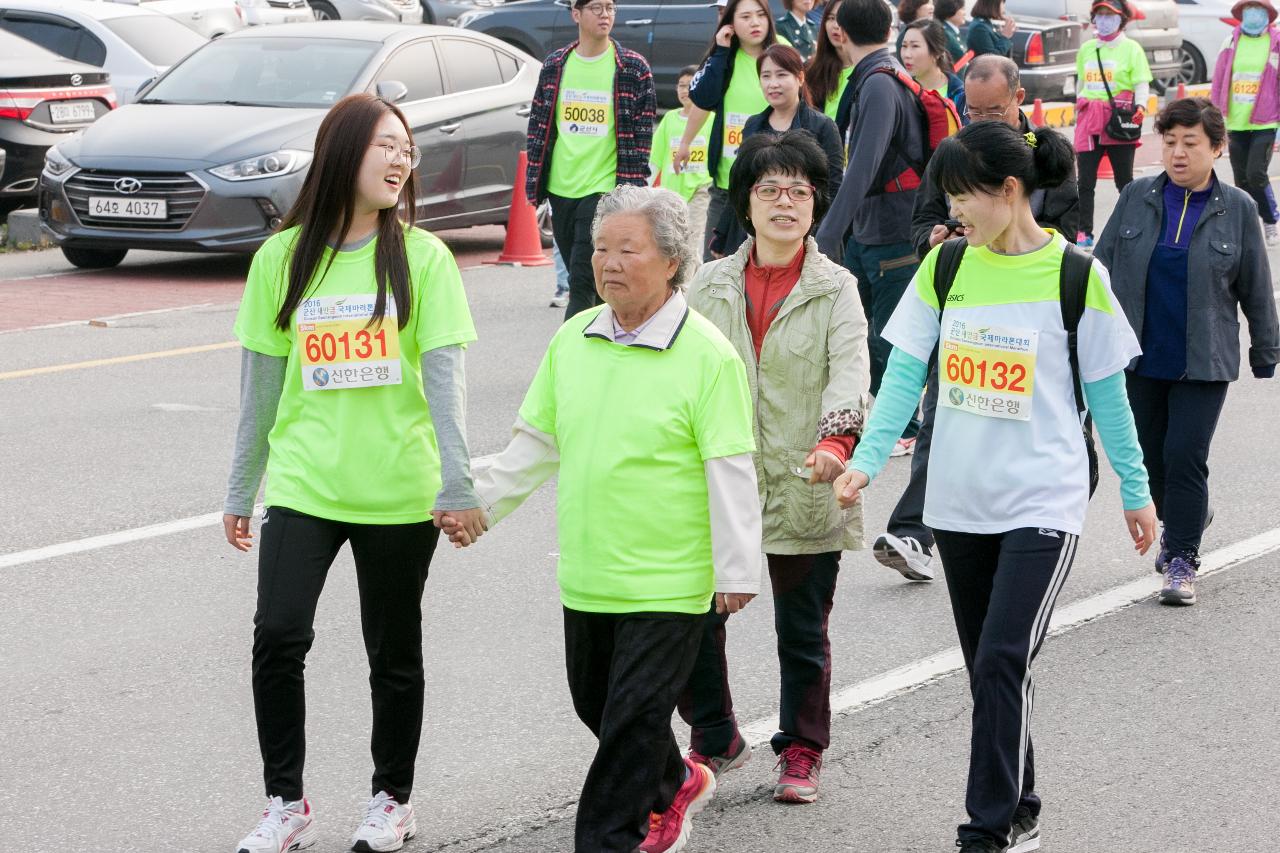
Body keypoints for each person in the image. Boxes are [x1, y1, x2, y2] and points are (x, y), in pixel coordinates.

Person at [835, 121, 1158, 853]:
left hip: (1042, 499)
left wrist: (1136, 492)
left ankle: (983, 830)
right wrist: (866, 457)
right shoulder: (947, 268)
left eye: (962, 196)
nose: (954, 213)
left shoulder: (1077, 276)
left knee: (1003, 659)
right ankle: (1023, 804)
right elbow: (904, 378)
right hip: (958, 500)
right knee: (992, 671)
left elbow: (1108, 399)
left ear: (1009, 192)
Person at [440, 186, 763, 853]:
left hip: (669, 583)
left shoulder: (707, 357)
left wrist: (736, 566)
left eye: (627, 249)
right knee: (603, 710)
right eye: (599, 248)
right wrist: (478, 504)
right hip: (589, 573)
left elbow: (729, 470)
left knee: (626, 734)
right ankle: (675, 781)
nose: (608, 263)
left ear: (672, 261)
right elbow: (536, 445)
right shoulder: (573, 342)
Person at [223, 93, 482, 853]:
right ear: (342, 154)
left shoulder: (424, 258)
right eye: (385, 146)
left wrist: (458, 483)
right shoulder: (283, 258)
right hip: (306, 483)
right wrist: (242, 487)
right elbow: (260, 389)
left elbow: (445, 382)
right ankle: (285, 802)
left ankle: (391, 799)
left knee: (393, 652)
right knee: (278, 634)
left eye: (407, 148)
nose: (401, 160)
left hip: (399, 490)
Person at [681, 131, 869, 806]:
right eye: (769, 189)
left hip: (806, 474)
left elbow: (850, 375)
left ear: (816, 204)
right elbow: (677, 371)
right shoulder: (708, 284)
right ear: (746, 202)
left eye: (799, 190)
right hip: (719, 480)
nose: (784, 202)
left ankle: (801, 747)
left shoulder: (836, 287)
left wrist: (836, 446)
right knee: (691, 613)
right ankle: (714, 731)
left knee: (801, 626)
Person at [884, 54, 1080, 583]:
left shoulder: (1048, 158)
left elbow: (1071, 230)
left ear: (1019, 98)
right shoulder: (955, 157)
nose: (983, 121)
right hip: (962, 303)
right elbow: (922, 220)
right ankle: (912, 530)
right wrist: (938, 240)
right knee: (943, 408)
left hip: (1033, 324)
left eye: (995, 110)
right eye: (973, 112)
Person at [1096, 98, 1280, 606]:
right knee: (1149, 459)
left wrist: (1266, 351)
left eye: (1190, 143)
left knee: (1184, 456)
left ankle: (1181, 558)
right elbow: (1099, 271)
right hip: (1139, 356)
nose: (1178, 153)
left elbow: (1256, 289)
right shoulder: (1136, 197)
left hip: (1204, 359)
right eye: (1171, 142)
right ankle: (1189, 515)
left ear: (1217, 148)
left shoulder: (1238, 208)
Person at [815, 0, 927, 454]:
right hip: (871, 227)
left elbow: (861, 168)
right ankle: (883, 417)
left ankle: (908, 425)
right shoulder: (879, 75)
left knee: (885, 332)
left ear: (839, 31)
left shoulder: (879, 84)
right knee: (858, 329)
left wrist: (826, 234)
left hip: (891, 228)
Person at [525, 0, 657, 319]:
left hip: (604, 190)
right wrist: (535, 179)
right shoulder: (556, 65)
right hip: (561, 187)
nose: (605, 15)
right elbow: (539, 125)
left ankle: (573, 354)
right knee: (584, 277)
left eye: (610, 7)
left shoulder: (632, 67)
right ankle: (609, 332)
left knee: (582, 280)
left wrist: (633, 188)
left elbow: (643, 130)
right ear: (576, 14)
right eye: (596, 8)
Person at [710, 44, 844, 255]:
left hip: (806, 237)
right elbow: (740, 183)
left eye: (782, 75)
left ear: (800, 78)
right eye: (766, 76)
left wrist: (817, 234)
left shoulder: (822, 126)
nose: (773, 84)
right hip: (757, 237)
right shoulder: (753, 125)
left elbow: (834, 188)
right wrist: (722, 234)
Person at [677, 0, 782, 260]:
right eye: (745, 16)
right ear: (731, 23)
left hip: (772, 182)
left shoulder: (782, 51)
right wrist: (685, 142)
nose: (755, 22)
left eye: (760, 15)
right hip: (727, 185)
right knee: (715, 266)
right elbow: (701, 99)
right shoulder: (724, 57)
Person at [1073, 0, 1151, 248]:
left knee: (1123, 181)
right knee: (1084, 182)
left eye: (1110, 15)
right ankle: (1084, 231)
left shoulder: (1131, 49)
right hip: (1089, 121)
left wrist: (1141, 106)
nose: (1104, 19)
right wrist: (1079, 107)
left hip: (1119, 120)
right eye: (1100, 14)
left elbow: (1141, 82)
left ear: (1121, 18)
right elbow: (1080, 83)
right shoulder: (1086, 49)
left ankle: (1132, 226)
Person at [1210, 0, 1280, 246]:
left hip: (1265, 120)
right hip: (1236, 122)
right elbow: (1218, 79)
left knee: (1256, 174)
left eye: (1258, 9)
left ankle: (1271, 219)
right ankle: (1248, 225)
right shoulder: (1230, 41)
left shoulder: (1276, 42)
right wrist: (1214, 114)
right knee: (1241, 179)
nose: (1253, 13)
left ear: (1267, 14)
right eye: (1249, 9)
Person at [650, 64, 716, 261]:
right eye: (681, 85)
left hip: (700, 189)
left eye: (690, 85)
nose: (685, 90)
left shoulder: (711, 119)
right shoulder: (669, 118)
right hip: (671, 193)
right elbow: (655, 158)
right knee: (673, 241)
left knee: (692, 241)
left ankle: (687, 289)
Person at [900, 19, 967, 119]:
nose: (906, 54)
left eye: (915, 46)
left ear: (937, 52)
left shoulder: (959, 93)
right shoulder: (900, 90)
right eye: (904, 46)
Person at [805, 0, 854, 127]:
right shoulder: (811, 70)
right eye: (831, 18)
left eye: (843, 18)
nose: (836, 25)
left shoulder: (868, 71)